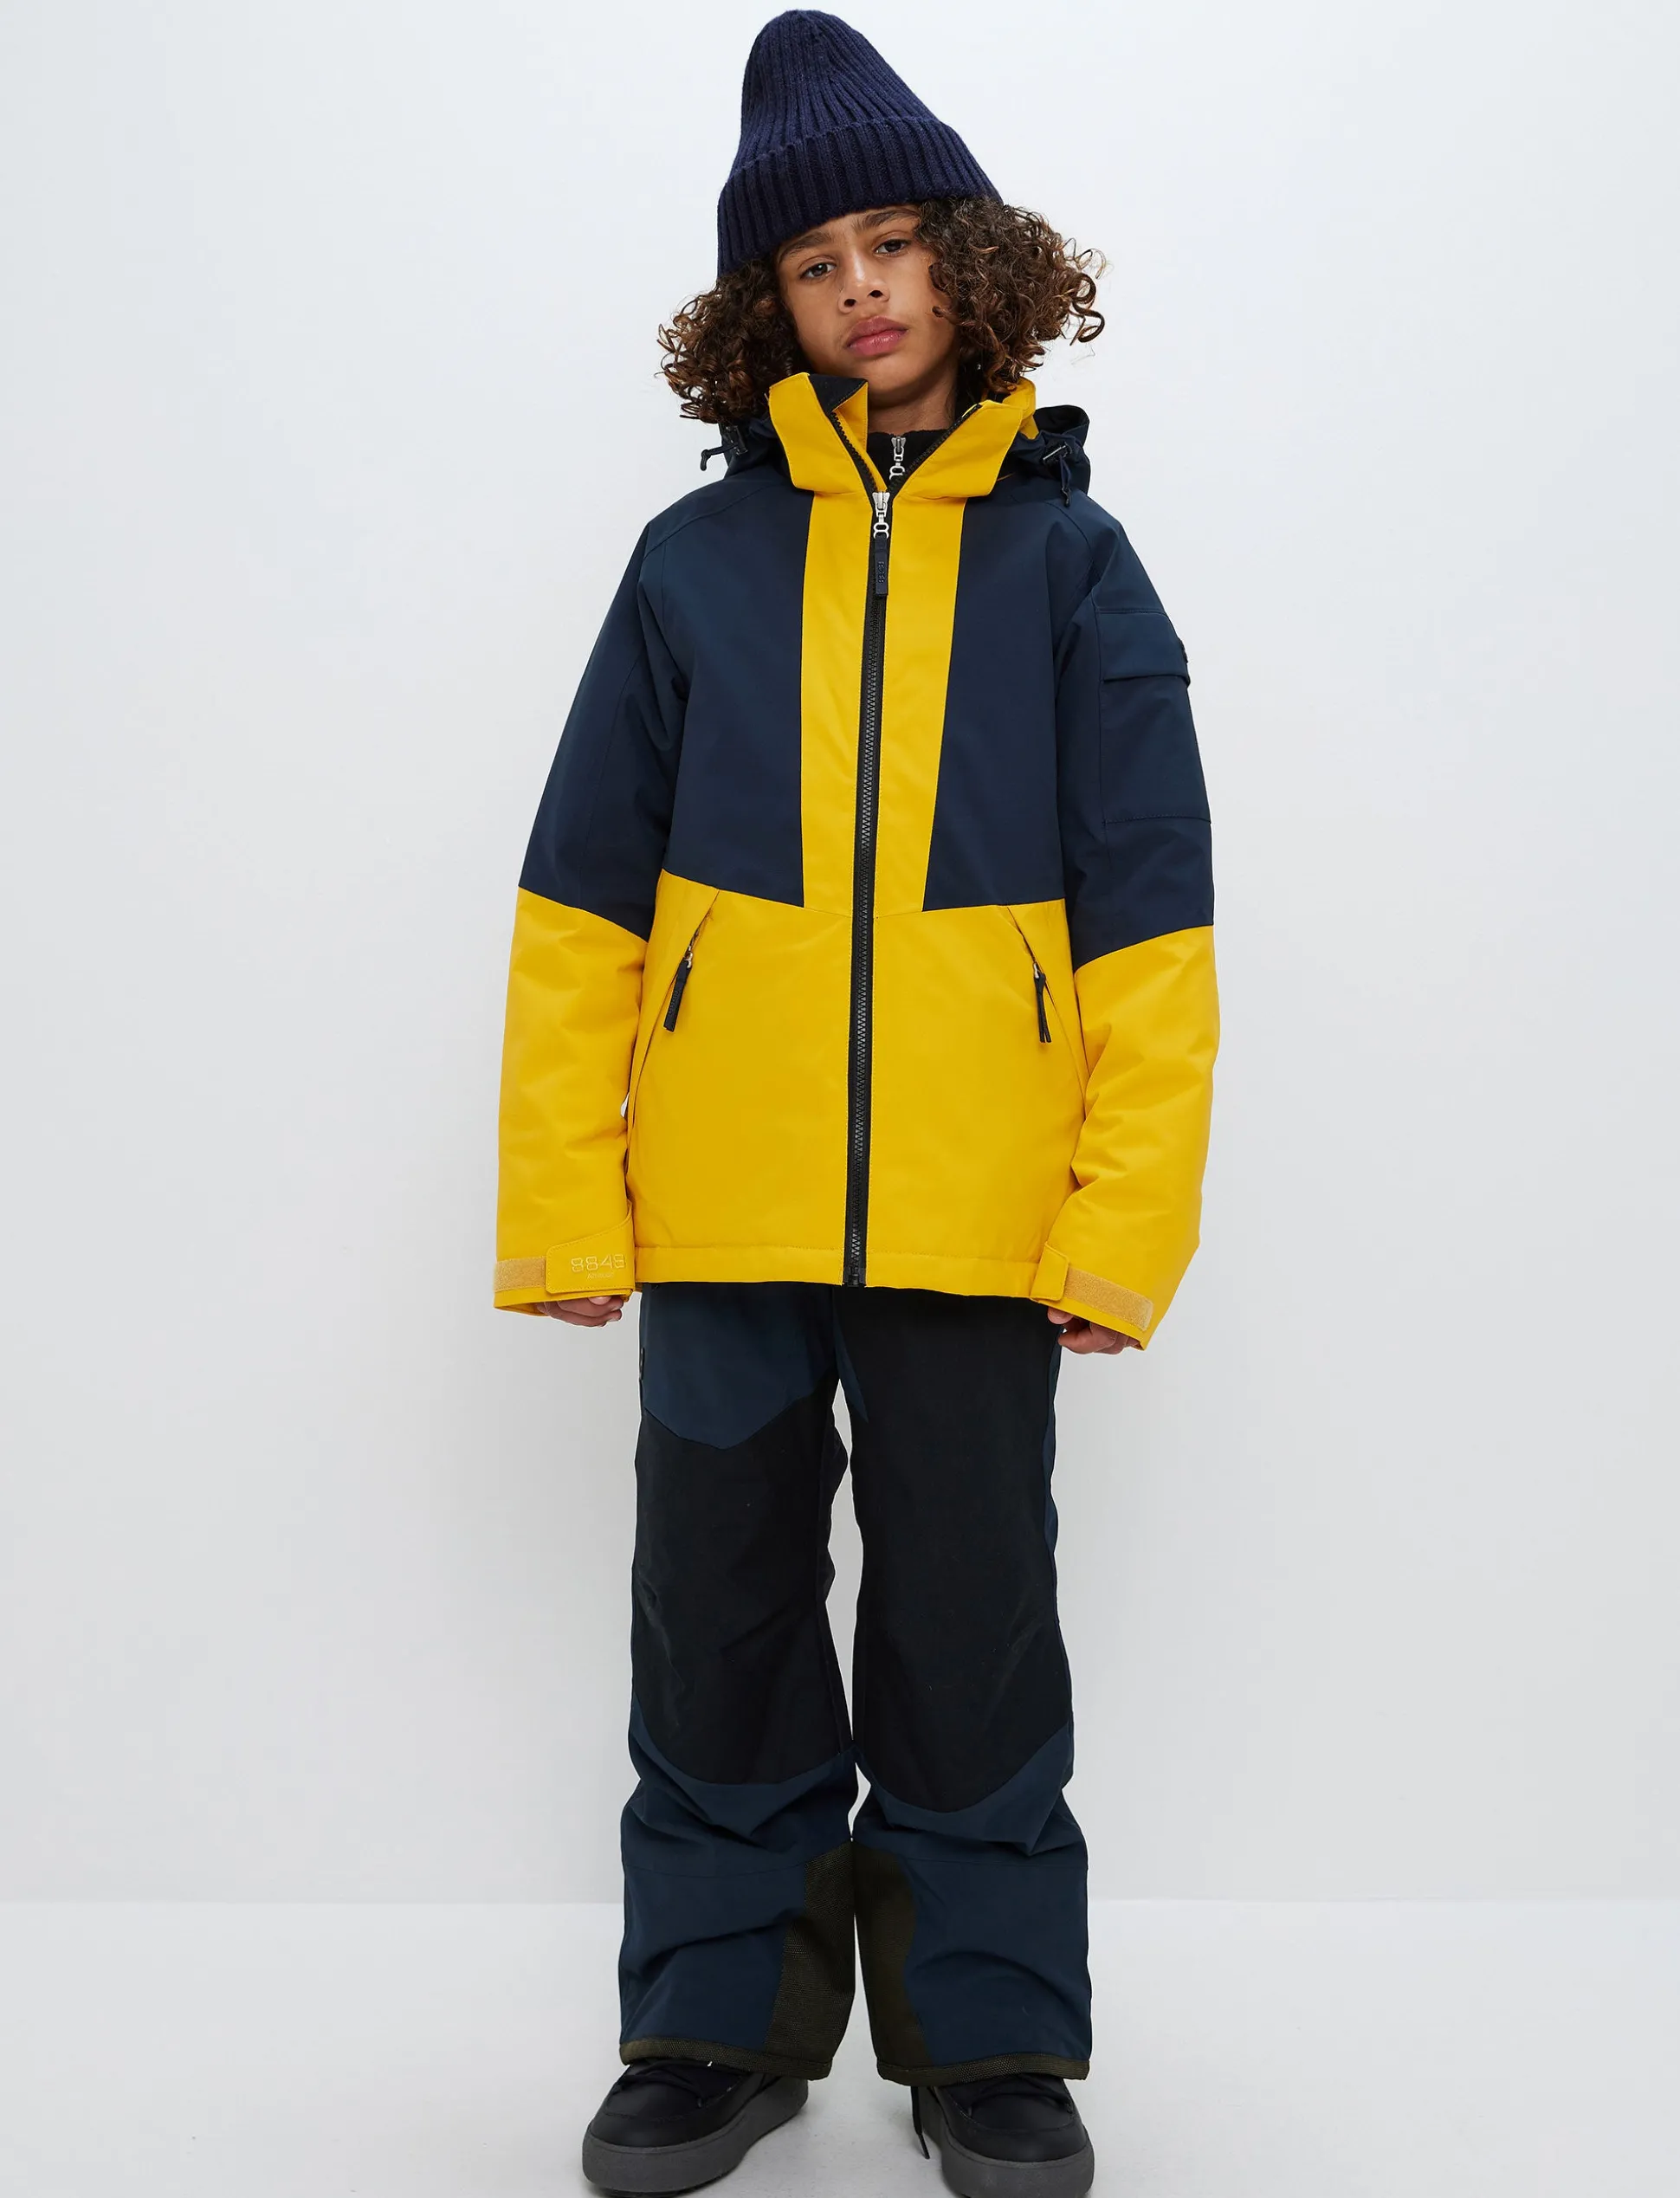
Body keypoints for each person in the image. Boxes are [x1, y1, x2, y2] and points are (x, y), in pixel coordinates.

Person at [494, 11, 1217, 2192]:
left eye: (894, 243)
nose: (864, 289)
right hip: (721, 1208)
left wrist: (1119, 1223)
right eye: (815, 264)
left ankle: (988, 2044)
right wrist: (567, 1204)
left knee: (969, 1628)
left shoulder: (1074, 569)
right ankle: (712, 2024)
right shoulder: (691, 567)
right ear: (767, 313)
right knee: (713, 1617)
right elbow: (580, 905)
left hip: (979, 1217)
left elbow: (1152, 930)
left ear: (970, 268)